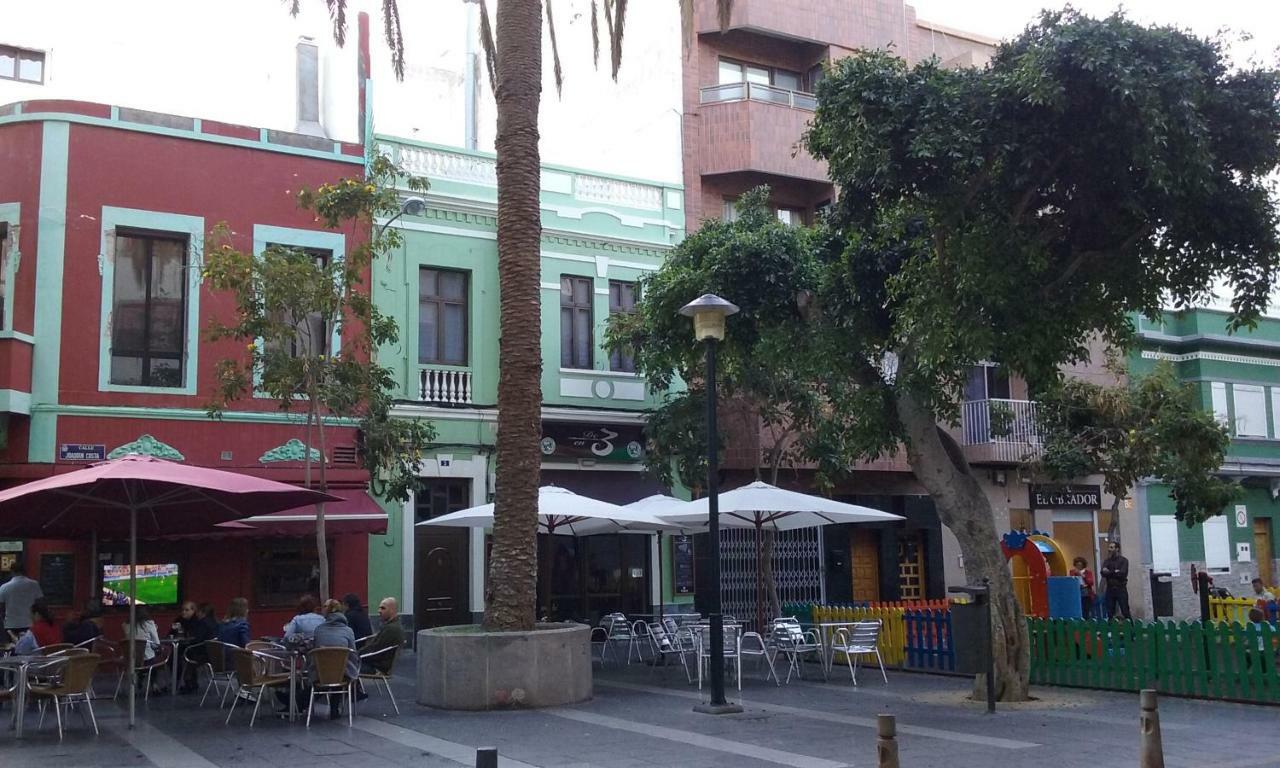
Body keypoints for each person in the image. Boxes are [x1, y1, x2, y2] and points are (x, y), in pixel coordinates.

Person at [312, 598, 359, 718]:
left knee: (326, 674)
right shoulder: (348, 631)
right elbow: (353, 653)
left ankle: (296, 702)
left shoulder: (318, 630)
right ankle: (334, 707)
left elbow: (315, 648)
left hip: (321, 673)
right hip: (343, 673)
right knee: (340, 669)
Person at [0, 559, 44, 642]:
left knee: (13, 649)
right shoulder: (34, 585)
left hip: (11, 625)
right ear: (24, 571)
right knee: (29, 649)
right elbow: (40, 603)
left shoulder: (4, 587)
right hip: (30, 623)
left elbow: (1, 607)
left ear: (12, 572)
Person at [361, 597, 405, 676]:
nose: (379, 611)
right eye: (379, 608)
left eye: (383, 608)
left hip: (377, 667)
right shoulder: (393, 626)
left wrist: (356, 655)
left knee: (344, 669)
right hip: (379, 664)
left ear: (392, 610)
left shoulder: (391, 629)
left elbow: (375, 650)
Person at [1100, 540, 1130, 620]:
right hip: (1110, 589)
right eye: (1109, 547)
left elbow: (1122, 574)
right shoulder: (1107, 561)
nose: (1109, 549)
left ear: (1117, 549)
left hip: (1121, 588)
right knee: (1110, 612)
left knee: (1125, 610)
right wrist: (1115, 571)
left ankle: (1131, 630)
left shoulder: (1124, 560)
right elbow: (1103, 573)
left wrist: (1109, 572)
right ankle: (1111, 630)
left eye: (1111, 547)